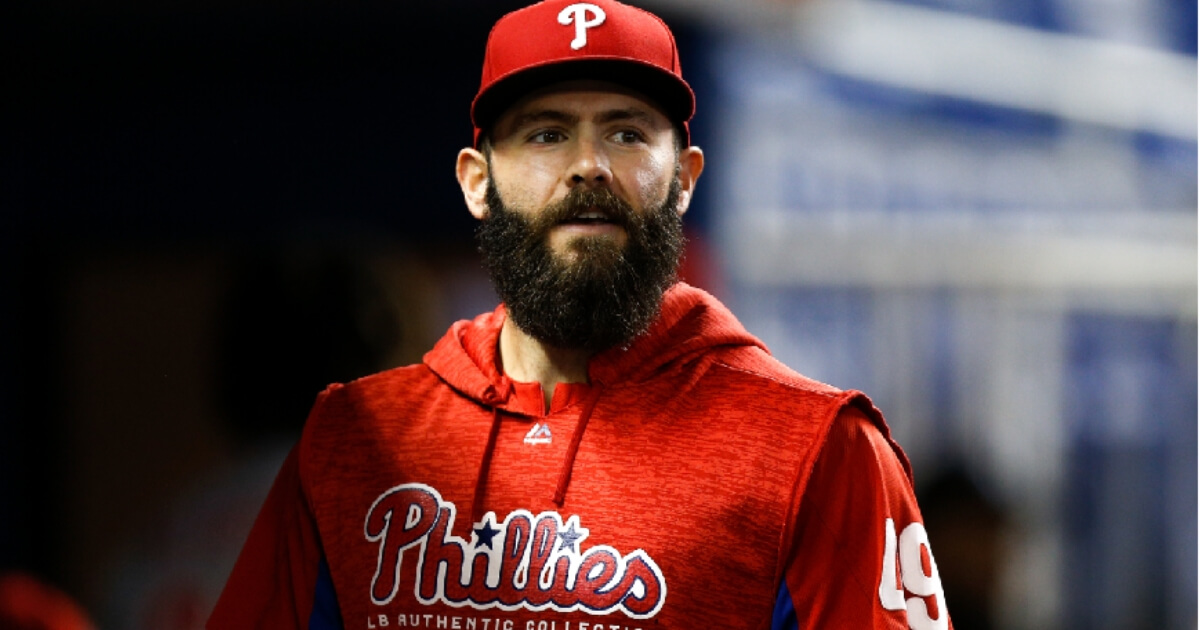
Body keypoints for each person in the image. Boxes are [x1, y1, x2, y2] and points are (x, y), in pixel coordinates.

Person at [209, 1, 952, 628]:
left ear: (686, 179)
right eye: (545, 133)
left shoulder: (819, 451)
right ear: (477, 181)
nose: (588, 164)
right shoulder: (352, 443)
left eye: (627, 132)